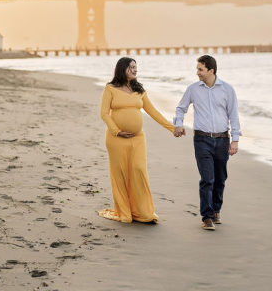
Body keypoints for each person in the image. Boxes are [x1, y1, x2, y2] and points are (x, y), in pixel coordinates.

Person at [98, 57, 175, 224]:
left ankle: (144, 213)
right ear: (122, 69)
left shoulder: (139, 90)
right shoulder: (110, 88)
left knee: (138, 170)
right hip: (116, 139)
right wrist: (117, 131)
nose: (135, 70)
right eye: (131, 67)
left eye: (136, 67)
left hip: (138, 139)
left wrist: (172, 128)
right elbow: (104, 113)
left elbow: (153, 111)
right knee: (120, 175)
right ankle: (125, 213)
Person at [174, 55, 241, 230]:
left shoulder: (227, 90)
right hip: (201, 139)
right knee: (207, 179)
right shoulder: (193, 89)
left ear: (211, 71)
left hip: (222, 140)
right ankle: (207, 216)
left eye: (200, 69)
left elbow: (233, 115)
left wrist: (235, 140)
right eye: (197, 69)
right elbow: (181, 108)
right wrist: (179, 124)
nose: (197, 73)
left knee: (220, 178)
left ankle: (216, 210)